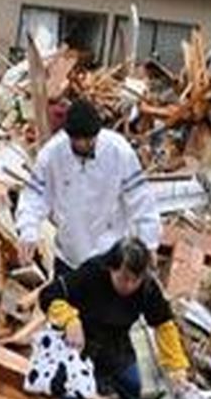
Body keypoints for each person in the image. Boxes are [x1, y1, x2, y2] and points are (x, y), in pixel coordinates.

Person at [38, 237, 190, 399]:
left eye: (134, 280)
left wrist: (177, 366)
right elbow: (49, 295)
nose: (128, 285)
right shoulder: (92, 273)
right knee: (71, 394)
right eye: (123, 278)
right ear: (112, 268)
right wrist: (69, 319)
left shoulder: (147, 288)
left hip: (115, 345)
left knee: (136, 388)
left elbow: (164, 324)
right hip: (81, 341)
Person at [16, 97, 162, 275]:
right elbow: (34, 195)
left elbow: (140, 198)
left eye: (90, 139)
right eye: (80, 140)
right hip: (69, 255)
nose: (86, 144)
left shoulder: (119, 151)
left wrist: (149, 241)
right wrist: (28, 230)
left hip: (111, 254)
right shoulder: (52, 155)